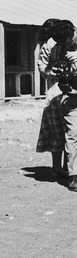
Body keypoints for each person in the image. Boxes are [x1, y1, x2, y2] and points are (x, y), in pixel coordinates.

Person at [42, 20, 77, 191]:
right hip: (71, 95)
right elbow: (47, 67)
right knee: (72, 134)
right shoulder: (56, 47)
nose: (67, 46)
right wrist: (53, 72)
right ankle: (73, 176)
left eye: (69, 41)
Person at [35, 18, 66, 178]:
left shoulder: (71, 44)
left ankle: (69, 165)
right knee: (57, 129)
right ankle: (57, 166)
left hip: (71, 90)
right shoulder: (48, 46)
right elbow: (42, 66)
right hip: (56, 90)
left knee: (71, 131)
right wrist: (51, 72)